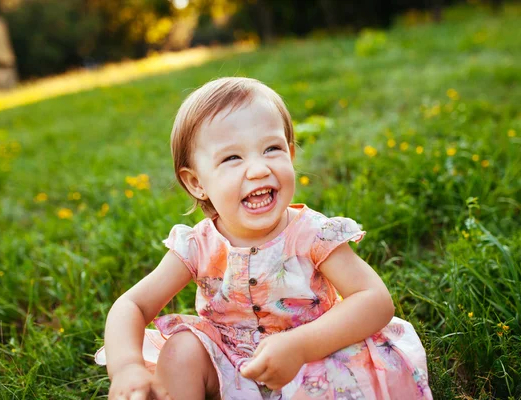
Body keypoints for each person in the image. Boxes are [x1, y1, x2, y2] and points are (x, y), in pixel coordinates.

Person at [95, 77, 432, 400]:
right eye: (232, 158)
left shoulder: (312, 233)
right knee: (181, 350)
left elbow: (374, 299)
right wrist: (126, 367)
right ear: (197, 183)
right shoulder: (198, 245)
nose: (257, 169)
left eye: (271, 149)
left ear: (290, 154)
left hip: (314, 356)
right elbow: (132, 305)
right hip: (230, 362)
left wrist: (301, 345)